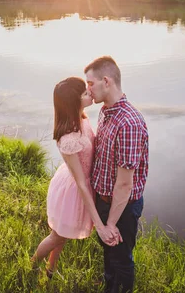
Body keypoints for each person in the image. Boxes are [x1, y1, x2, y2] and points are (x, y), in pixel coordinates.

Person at [31, 77, 118, 278]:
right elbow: (80, 182)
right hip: (74, 190)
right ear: (74, 103)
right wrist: (98, 220)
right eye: (85, 93)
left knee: (62, 236)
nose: (90, 93)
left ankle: (50, 270)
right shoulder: (69, 138)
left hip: (81, 183)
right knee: (57, 236)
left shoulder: (82, 118)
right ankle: (31, 266)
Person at [85, 56, 149, 293]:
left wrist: (110, 223)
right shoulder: (105, 111)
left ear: (106, 81)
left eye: (90, 83)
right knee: (108, 255)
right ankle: (108, 287)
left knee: (122, 260)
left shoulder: (128, 122)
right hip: (104, 203)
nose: (88, 89)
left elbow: (124, 184)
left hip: (122, 208)